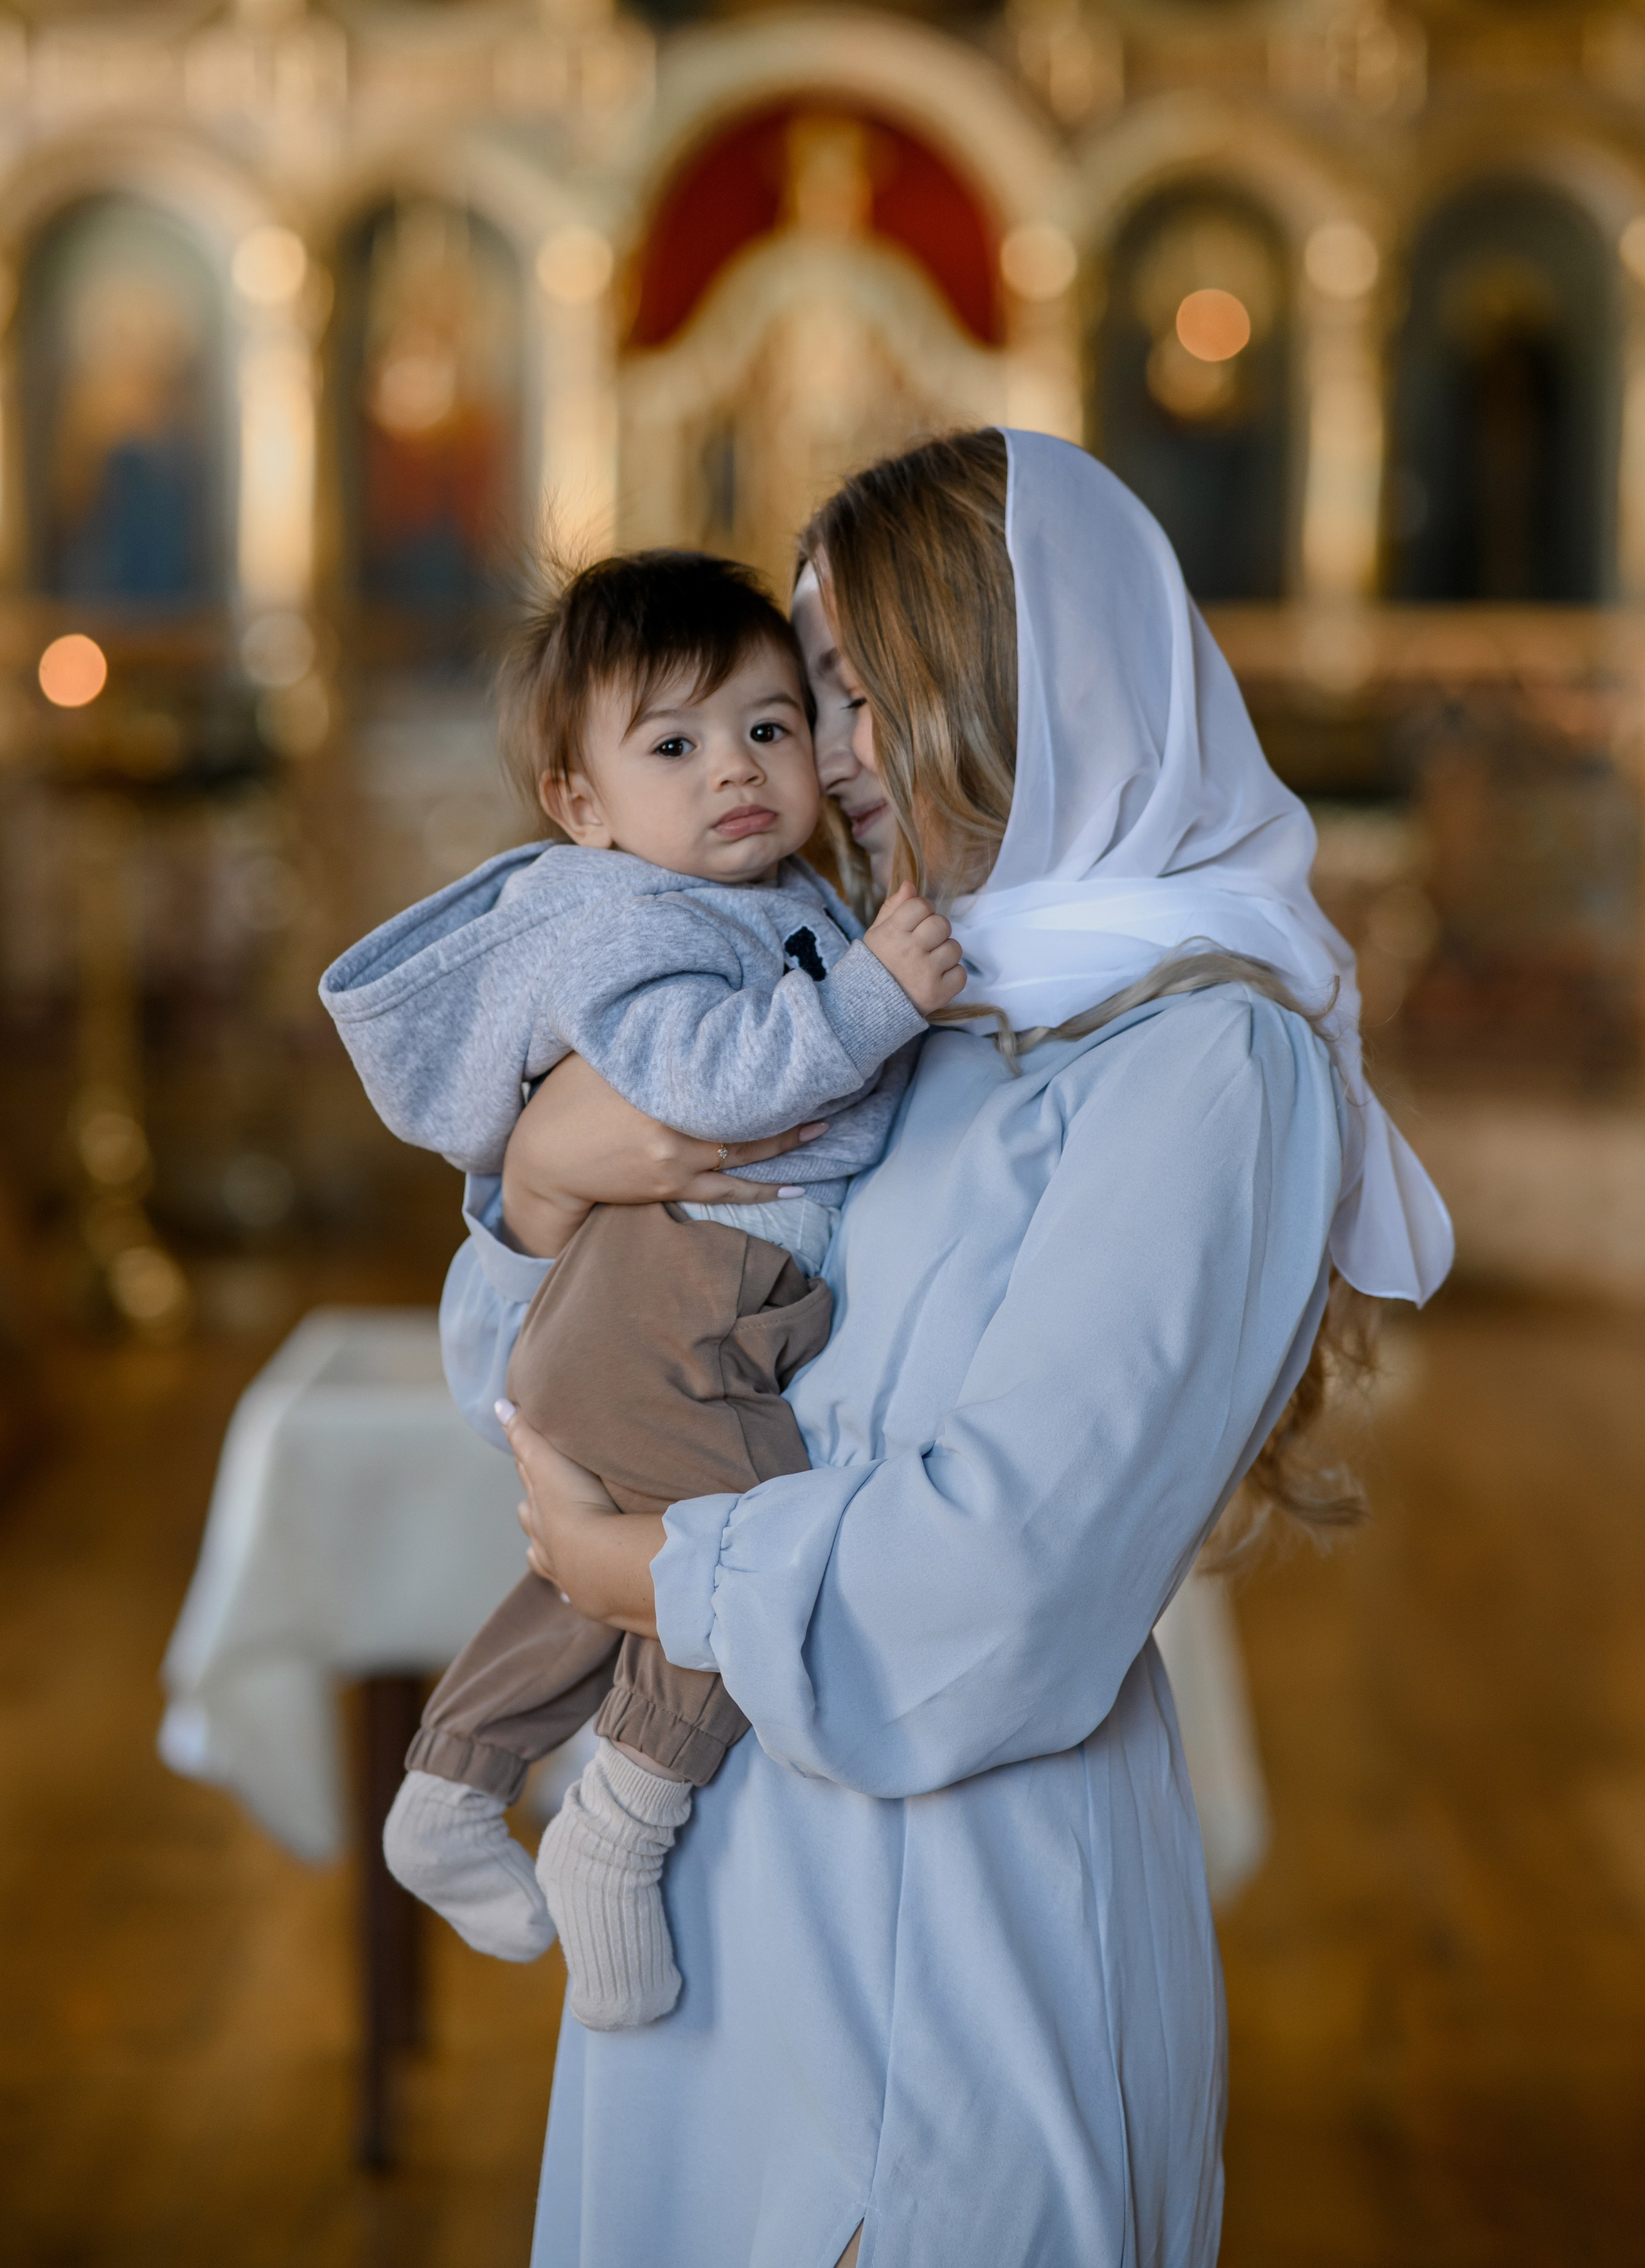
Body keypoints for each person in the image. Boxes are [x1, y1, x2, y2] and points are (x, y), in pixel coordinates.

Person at [443, 429, 1454, 2268]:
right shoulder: (872, 1001)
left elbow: (1000, 1588)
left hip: (955, 1923)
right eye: (806, 696)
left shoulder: (1206, 1055)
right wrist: (527, 1195)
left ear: (1027, 672)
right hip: (712, 1887)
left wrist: (641, 1567)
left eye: (860, 690)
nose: (818, 759)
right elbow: (554, 1401)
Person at [320, 551, 950, 2028]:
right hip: (670, 1301)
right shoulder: (629, 920)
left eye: (768, 727)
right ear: (580, 807)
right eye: (672, 745)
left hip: (666, 1309)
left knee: (608, 1578)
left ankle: (453, 1777)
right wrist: (881, 993)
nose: (733, 768)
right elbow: (702, 1086)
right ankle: (624, 1817)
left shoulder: (761, 888)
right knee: (736, 1548)